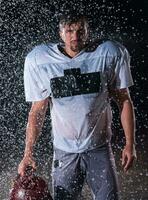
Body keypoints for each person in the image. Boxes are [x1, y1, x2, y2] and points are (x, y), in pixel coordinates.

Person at [18, 13, 137, 200]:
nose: (75, 35)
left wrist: (130, 144)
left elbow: (124, 100)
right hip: (64, 151)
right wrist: (28, 154)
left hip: (99, 147)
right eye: (69, 30)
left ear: (88, 31)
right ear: (61, 33)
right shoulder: (40, 59)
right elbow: (37, 111)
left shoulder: (109, 53)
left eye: (80, 30)